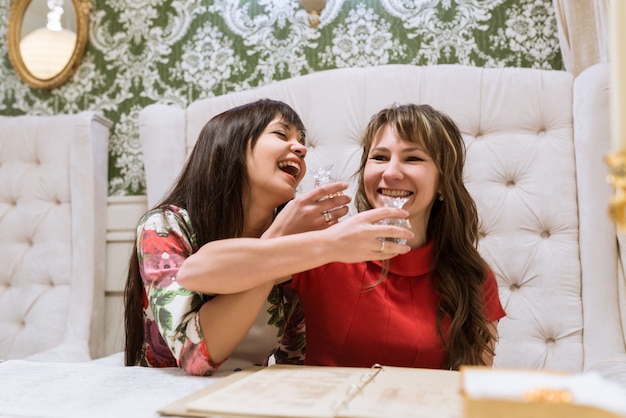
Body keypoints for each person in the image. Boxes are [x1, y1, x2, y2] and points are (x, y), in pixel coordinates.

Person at [123, 99, 413, 376]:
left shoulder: (300, 243)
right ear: (231, 144)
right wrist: (289, 239)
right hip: (166, 398)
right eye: (281, 134)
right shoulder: (164, 227)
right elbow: (195, 355)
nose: (300, 148)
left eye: (301, 140)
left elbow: (295, 361)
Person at [275, 103, 506, 370]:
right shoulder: (322, 251)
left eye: (413, 158)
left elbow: (474, 390)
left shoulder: (474, 279)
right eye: (380, 158)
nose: (391, 173)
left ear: (444, 180)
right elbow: (238, 276)